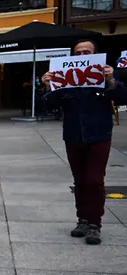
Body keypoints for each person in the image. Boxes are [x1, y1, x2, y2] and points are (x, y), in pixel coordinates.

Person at [42, 39, 127, 245]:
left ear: (95, 54)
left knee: (94, 180)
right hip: (73, 135)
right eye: (78, 53)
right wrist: (48, 86)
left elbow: (123, 97)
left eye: (86, 52)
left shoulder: (106, 76)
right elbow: (49, 105)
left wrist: (112, 80)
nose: (81, 56)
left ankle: (95, 223)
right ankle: (82, 219)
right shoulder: (65, 78)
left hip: (99, 134)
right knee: (80, 180)